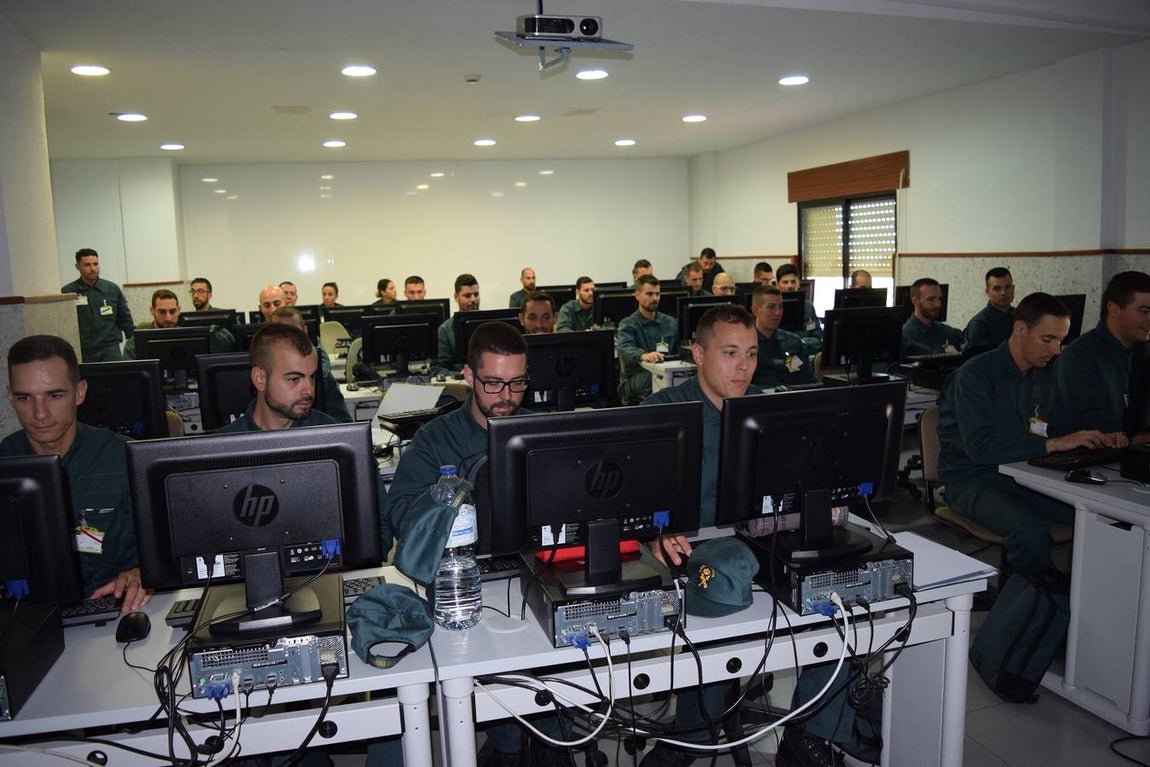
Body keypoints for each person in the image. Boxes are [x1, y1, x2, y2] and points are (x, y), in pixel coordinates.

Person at [388, 322, 568, 766]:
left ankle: (552, 740)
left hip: (535, 570)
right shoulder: (436, 440)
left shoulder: (543, 429)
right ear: (469, 377)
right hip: (467, 582)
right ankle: (508, 745)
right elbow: (399, 516)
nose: (506, 396)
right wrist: (453, 504)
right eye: (493, 383)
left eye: (518, 383)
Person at [938, 292, 1125, 576]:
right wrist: (1052, 444)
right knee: (1032, 532)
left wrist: (1092, 438)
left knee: (1101, 515)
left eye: (1061, 341)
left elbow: (1056, 428)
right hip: (973, 480)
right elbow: (981, 449)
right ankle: (1035, 605)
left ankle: (1085, 598)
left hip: (1024, 476)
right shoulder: (976, 375)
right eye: (1048, 340)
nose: (1056, 351)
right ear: (1020, 329)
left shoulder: (1043, 375)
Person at [1, 335, 150, 613]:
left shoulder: (125, 457)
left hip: (113, 610)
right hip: (25, 618)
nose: (40, 413)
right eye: (25, 398)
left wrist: (144, 574)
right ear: (10, 396)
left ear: (80, 392)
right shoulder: (5, 462)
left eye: (54, 395)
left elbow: (168, 549)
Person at [1056, 270, 1150, 442]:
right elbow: (1098, 431)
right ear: (1114, 309)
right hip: (1095, 461)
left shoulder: (1143, 351)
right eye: (1144, 311)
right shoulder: (1079, 357)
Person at [268, 307, 352, 423]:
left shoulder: (323, 378)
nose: (288, 339)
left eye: (294, 332)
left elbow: (345, 425)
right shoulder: (263, 376)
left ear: (305, 331)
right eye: (280, 333)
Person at [61, 247, 135, 362]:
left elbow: (125, 319)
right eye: (87, 265)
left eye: (95, 264)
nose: (93, 269)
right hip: (84, 351)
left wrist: (133, 340)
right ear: (77, 267)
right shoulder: (68, 292)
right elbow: (64, 324)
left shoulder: (112, 289)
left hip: (110, 350)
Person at [615, 274, 678, 404]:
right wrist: (643, 355)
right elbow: (625, 349)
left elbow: (681, 348)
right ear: (637, 295)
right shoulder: (628, 324)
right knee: (659, 380)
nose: (655, 298)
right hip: (640, 374)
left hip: (668, 369)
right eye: (649, 294)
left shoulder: (671, 323)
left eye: (657, 294)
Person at [123, 288, 235, 358]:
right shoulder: (136, 343)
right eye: (162, 312)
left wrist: (215, 333)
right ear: (152, 311)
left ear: (179, 310)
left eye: (172, 311)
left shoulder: (192, 336)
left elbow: (226, 349)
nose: (168, 318)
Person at [749, 284, 817, 388]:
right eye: (771, 307)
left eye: (781, 307)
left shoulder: (792, 342)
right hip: (759, 399)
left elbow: (807, 380)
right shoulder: (746, 344)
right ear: (755, 310)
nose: (777, 313)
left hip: (792, 397)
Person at [900, 277, 964, 359]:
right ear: (915, 302)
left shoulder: (949, 333)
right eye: (931, 299)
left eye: (940, 299)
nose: (938, 304)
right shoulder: (905, 337)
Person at [433, 274, 480, 377]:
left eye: (476, 294)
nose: (473, 299)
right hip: (460, 382)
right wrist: (458, 374)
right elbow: (437, 368)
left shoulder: (489, 325)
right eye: (467, 296)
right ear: (456, 297)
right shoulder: (445, 330)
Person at [964, 267, 1015, 352]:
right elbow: (981, 361)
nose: (1003, 293)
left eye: (1007, 287)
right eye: (997, 289)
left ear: (1013, 288)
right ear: (987, 292)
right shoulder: (979, 324)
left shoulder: (1022, 316)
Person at [775, 264, 822, 349]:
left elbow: (816, 335)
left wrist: (801, 343)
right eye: (785, 282)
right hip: (780, 353)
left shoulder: (808, 307)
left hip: (804, 350)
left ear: (799, 283)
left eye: (793, 282)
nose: (790, 286)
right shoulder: (772, 308)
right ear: (777, 285)